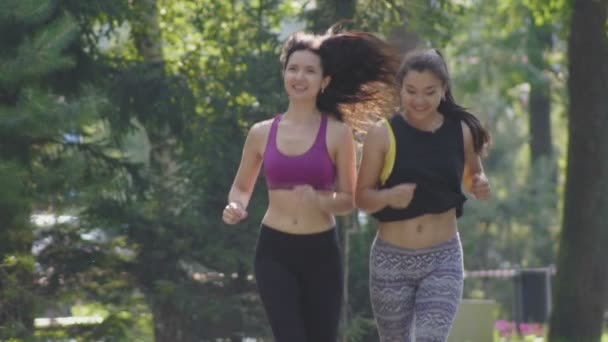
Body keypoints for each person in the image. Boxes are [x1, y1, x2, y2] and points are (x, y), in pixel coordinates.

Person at [222, 28, 399, 342]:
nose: (299, 77)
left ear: (324, 81)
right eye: (293, 68)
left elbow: (348, 200)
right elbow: (241, 187)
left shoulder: (337, 133)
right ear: (284, 73)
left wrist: (321, 200)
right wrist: (236, 205)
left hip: (321, 254)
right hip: (273, 251)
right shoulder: (261, 133)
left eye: (309, 70)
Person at [355, 49, 492, 341]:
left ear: (443, 90)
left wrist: (480, 183)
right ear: (400, 89)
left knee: (431, 338)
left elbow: (473, 175)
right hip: (391, 261)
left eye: (429, 92)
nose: (419, 100)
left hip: (442, 257)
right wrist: (388, 196)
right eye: (411, 91)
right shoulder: (382, 134)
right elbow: (362, 197)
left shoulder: (462, 131)